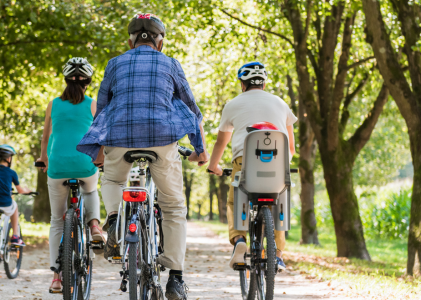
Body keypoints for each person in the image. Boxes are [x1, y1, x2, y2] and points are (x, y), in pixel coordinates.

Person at [76, 13, 208, 300]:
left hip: (120, 138)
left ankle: (114, 219)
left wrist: (98, 146)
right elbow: (191, 109)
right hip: (162, 140)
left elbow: (103, 109)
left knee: (111, 180)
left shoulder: (114, 63)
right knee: (173, 206)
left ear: (130, 41)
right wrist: (200, 150)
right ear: (160, 43)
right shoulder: (171, 64)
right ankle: (175, 278)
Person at [206, 62, 297, 272]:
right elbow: (290, 147)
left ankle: (239, 239)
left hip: (243, 163)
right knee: (279, 202)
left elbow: (221, 142)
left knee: (234, 199)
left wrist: (213, 166)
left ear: (242, 84)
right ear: (264, 83)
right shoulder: (281, 103)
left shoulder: (232, 104)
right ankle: (279, 255)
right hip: (277, 164)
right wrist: (283, 166)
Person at [35, 57, 104, 293]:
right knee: (91, 188)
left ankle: (56, 277)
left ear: (65, 80)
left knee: (57, 221)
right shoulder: (93, 104)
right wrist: (100, 158)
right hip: (85, 164)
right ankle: (94, 225)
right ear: (88, 81)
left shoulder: (53, 104)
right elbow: (100, 136)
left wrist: (43, 159)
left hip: (57, 167)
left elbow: (46, 138)